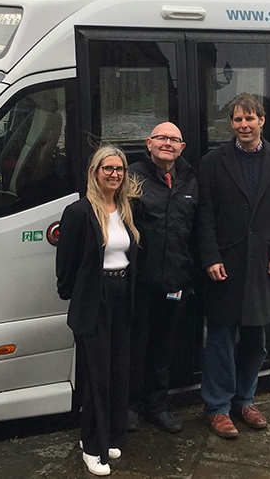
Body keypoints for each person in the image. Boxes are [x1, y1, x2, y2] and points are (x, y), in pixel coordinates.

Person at [197, 93, 270, 439]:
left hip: (264, 265)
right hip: (225, 265)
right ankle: (218, 407)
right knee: (220, 341)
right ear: (231, 124)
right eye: (238, 120)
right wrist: (210, 256)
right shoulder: (213, 162)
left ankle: (246, 400)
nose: (244, 125)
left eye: (250, 118)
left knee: (256, 341)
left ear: (262, 121)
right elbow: (205, 215)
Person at [56, 146, 142, 476]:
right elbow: (65, 264)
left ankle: (110, 436)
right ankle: (91, 446)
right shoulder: (79, 212)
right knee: (95, 375)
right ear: (95, 172)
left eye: (119, 169)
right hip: (94, 298)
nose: (115, 174)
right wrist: (74, 295)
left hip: (123, 296)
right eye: (108, 168)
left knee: (118, 370)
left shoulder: (127, 209)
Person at [128, 122, 198, 434]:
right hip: (140, 282)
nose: (167, 143)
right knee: (135, 347)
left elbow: (200, 227)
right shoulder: (131, 176)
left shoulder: (191, 179)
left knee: (164, 349)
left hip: (176, 281)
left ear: (182, 147)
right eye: (161, 138)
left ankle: (157, 406)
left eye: (174, 139)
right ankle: (129, 407)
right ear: (149, 143)